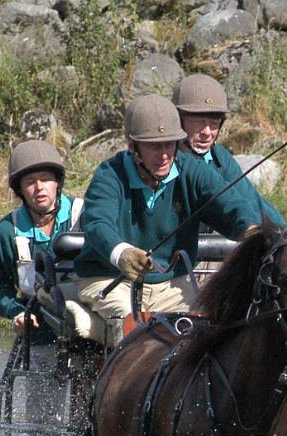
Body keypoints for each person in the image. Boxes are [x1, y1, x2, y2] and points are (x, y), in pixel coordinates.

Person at [72, 94, 272, 344]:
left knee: (205, 332)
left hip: (172, 284)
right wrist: (121, 253)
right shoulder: (109, 176)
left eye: (170, 144)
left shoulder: (193, 171)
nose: (165, 155)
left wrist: (253, 232)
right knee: (135, 333)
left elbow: (231, 205)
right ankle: (105, 339)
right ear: (132, 146)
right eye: (155, 146)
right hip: (109, 279)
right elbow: (98, 223)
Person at [0, 139, 83, 343]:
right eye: (30, 182)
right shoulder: (6, 232)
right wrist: (17, 313)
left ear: (57, 182)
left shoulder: (86, 215)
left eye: (46, 179)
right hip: (38, 330)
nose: (39, 188)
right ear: (20, 190)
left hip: (87, 321)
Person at [171, 73, 285, 227]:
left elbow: (253, 203)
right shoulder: (160, 160)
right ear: (178, 121)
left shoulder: (219, 159)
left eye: (214, 123)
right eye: (198, 122)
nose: (207, 132)